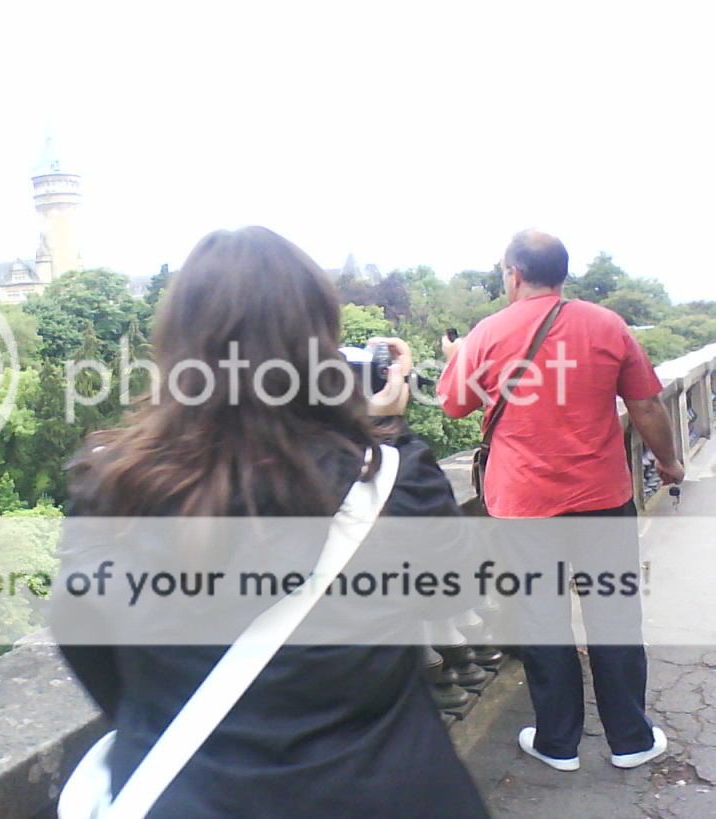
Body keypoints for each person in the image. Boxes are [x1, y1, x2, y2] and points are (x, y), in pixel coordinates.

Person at [51, 226, 489, 817]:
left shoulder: (110, 487)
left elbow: (85, 642)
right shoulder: (391, 482)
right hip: (382, 788)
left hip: (194, 796)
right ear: (321, 347)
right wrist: (386, 430)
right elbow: (456, 590)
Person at [436, 228, 684, 772]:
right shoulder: (608, 325)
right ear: (562, 274)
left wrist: (457, 357)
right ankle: (630, 739)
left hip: (523, 506)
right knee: (614, 613)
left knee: (540, 616)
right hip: (602, 498)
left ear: (513, 274)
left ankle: (558, 742)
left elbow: (454, 406)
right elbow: (646, 406)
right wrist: (668, 462)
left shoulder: (487, 333)